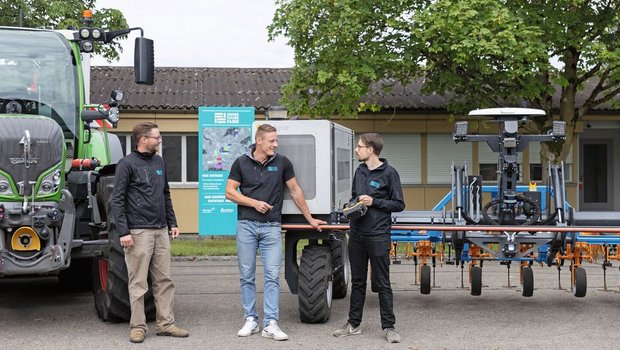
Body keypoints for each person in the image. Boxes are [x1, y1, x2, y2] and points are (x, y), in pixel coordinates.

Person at [226, 123, 326, 341]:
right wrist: (254, 203)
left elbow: (295, 190)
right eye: (272, 141)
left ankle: (270, 323)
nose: (276, 144)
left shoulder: (282, 162)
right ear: (259, 140)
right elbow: (230, 192)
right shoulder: (241, 163)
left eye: (276, 140)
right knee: (247, 275)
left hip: (272, 227)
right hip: (246, 226)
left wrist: (309, 218)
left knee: (272, 276)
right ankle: (251, 319)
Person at [111, 122, 189, 344]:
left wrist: (172, 222)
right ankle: (137, 327)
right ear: (143, 139)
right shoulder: (126, 164)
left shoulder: (159, 162)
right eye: (157, 137)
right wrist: (123, 231)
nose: (160, 140)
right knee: (138, 283)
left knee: (164, 280)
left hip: (161, 230)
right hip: (138, 232)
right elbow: (117, 200)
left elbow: (165, 194)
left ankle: (166, 324)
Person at [333, 133, 405, 344]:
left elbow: (399, 204)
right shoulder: (360, 171)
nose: (356, 150)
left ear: (371, 149)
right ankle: (353, 324)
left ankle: (389, 327)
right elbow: (355, 195)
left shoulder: (390, 173)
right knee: (357, 282)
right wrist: (351, 205)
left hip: (378, 235)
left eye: (360, 147)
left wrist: (375, 201)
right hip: (357, 235)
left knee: (382, 282)